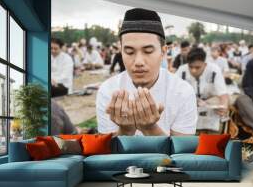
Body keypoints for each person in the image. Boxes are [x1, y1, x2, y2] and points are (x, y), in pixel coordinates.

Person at [96, 8, 197, 136]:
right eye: (129, 52)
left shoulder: (182, 92)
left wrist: (150, 129)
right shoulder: (108, 91)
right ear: (121, 52)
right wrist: (125, 131)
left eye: (148, 51)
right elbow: (106, 151)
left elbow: (183, 152)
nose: (138, 62)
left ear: (163, 52)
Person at [175, 48, 229, 132]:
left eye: (197, 67)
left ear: (205, 63)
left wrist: (223, 107)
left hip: (210, 101)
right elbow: (174, 91)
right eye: (191, 67)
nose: (193, 70)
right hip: (189, 102)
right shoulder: (182, 70)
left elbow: (223, 94)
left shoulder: (214, 70)